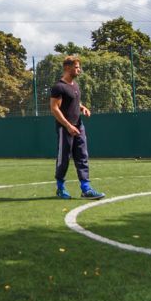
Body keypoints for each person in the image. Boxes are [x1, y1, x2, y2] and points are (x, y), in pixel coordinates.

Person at [49, 55, 104, 200]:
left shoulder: (75, 85)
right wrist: (67, 126)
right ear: (67, 67)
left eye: (79, 67)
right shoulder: (59, 87)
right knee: (64, 159)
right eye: (76, 67)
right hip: (65, 129)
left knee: (82, 156)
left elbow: (73, 102)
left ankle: (86, 189)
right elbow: (54, 108)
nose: (79, 70)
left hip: (79, 126)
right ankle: (60, 188)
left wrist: (82, 107)